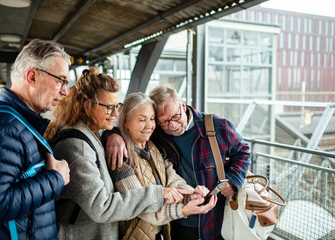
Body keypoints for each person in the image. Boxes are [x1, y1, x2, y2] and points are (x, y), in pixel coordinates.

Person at [44, 68, 193, 240]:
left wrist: (113, 134)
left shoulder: (95, 135)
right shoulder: (77, 147)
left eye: (117, 107)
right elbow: (101, 206)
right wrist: (158, 194)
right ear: (88, 106)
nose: (115, 114)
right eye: (109, 107)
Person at [103, 85, 251, 240]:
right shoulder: (157, 133)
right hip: (176, 221)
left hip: (214, 218)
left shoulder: (217, 126)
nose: (172, 126)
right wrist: (112, 135)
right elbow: (132, 127)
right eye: (164, 121)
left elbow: (243, 151)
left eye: (175, 116)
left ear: (183, 105)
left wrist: (233, 180)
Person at [0, 39, 71, 239]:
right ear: (32, 76)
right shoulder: (4, 129)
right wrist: (55, 179)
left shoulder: (15, 124)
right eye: (60, 80)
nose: (65, 91)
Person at [112, 92, 216, 240]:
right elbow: (144, 208)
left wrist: (192, 194)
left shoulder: (153, 147)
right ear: (126, 123)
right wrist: (184, 210)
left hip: (161, 233)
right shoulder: (121, 158)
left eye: (152, 119)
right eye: (142, 120)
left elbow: (172, 179)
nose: (149, 126)